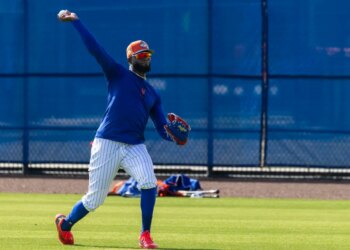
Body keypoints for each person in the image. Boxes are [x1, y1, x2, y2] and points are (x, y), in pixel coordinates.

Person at [55, 9, 188, 249]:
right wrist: (76, 22)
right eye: (142, 54)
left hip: (135, 145)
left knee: (149, 183)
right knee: (95, 199)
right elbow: (96, 49)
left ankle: (145, 235)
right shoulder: (117, 74)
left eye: (148, 54)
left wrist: (175, 136)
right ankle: (65, 225)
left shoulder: (154, 95)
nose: (147, 58)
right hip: (107, 142)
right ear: (131, 58)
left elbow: (161, 128)